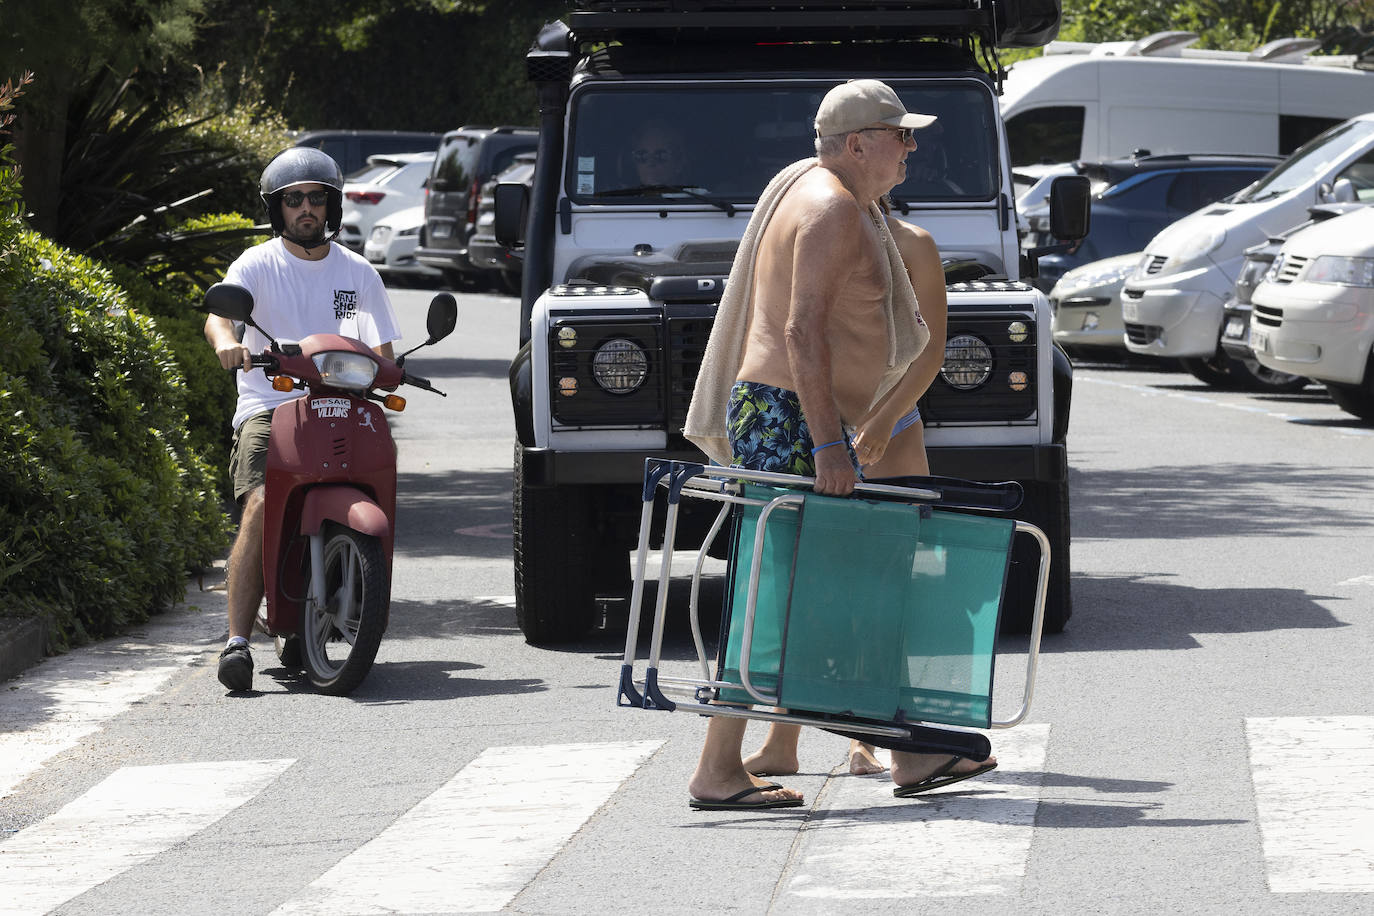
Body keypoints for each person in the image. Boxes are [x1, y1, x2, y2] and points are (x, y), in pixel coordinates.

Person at [681, 78, 993, 809]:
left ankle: (900, 753)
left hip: (792, 413)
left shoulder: (824, 198)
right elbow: (802, 330)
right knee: (780, 595)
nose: (912, 147)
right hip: (795, 416)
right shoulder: (830, 209)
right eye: (900, 134)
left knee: (827, 586)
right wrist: (828, 444)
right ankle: (721, 769)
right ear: (858, 144)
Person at [204, 147, 401, 692]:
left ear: (333, 205)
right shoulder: (256, 264)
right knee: (263, 503)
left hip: (344, 405)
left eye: (317, 198)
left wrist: (394, 370)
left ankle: (334, 598)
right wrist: (228, 344)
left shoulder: (357, 271)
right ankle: (238, 641)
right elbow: (220, 319)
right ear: (279, 209)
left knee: (374, 482)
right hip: (271, 407)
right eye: (295, 200)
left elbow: (383, 346)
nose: (306, 209)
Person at [628, 118, 688, 187]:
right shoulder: (621, 197)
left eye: (660, 156)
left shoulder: (697, 196)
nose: (650, 162)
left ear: (678, 164)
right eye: (642, 155)